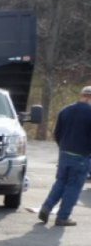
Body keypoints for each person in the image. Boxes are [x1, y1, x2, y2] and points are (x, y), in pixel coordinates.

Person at [38, 85, 91, 226]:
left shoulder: (66, 110)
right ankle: (63, 217)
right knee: (73, 186)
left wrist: (63, 147)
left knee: (60, 182)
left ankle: (46, 207)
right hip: (81, 155)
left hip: (64, 153)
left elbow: (57, 133)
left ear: (82, 95)